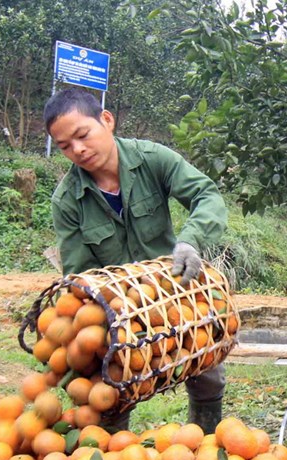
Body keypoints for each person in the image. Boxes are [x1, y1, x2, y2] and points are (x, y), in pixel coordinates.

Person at [44, 87, 228, 434]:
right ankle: (112, 458)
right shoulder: (68, 200)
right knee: (108, 390)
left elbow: (206, 195)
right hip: (117, 309)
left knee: (208, 369)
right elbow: (79, 273)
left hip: (173, 293)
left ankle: (205, 443)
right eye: (66, 146)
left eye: (82, 135)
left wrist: (191, 241)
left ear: (107, 120)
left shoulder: (153, 159)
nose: (78, 150)